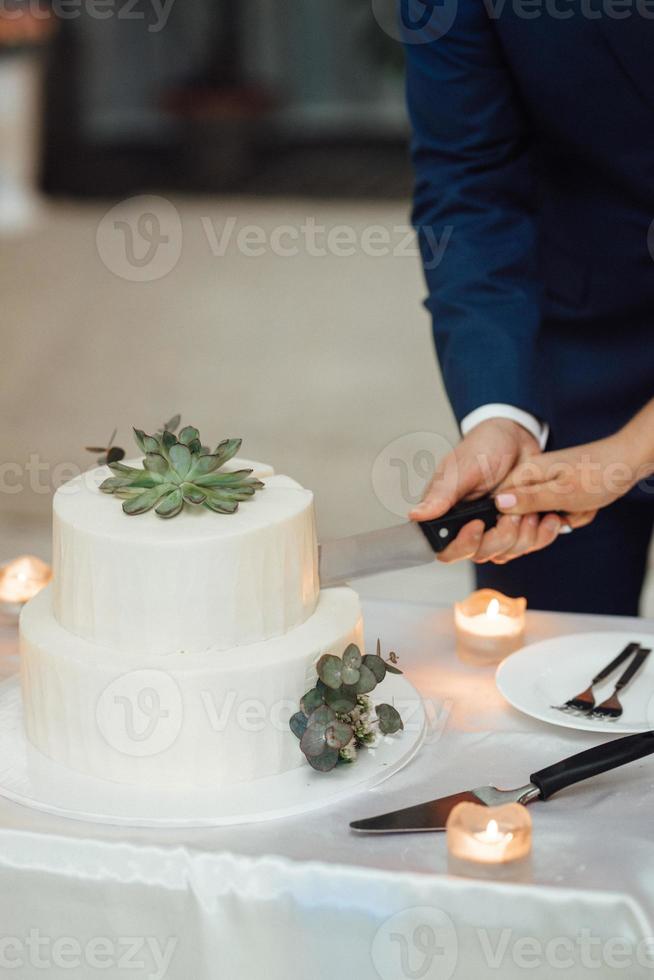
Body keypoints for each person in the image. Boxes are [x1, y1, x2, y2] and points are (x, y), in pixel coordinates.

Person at [402, 2, 654, 615]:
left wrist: (631, 453)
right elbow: (470, 181)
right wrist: (502, 411)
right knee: (542, 677)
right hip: (571, 352)